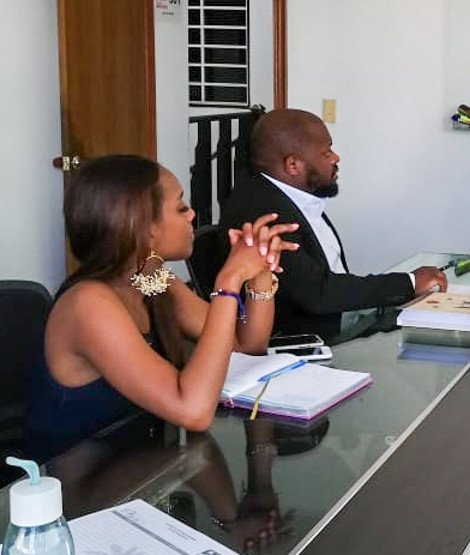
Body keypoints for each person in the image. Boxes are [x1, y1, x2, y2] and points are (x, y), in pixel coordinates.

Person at [28, 155, 296, 459]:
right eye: (181, 208)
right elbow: (193, 411)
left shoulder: (149, 279)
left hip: (146, 464)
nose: (192, 214)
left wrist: (260, 271)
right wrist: (229, 280)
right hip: (79, 480)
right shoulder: (88, 304)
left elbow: (245, 347)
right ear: (144, 228)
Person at [222, 109, 448, 338]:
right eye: (326, 152)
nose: (335, 158)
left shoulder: (293, 197)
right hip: (312, 344)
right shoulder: (263, 212)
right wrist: (408, 283)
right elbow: (316, 293)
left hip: (343, 324)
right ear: (293, 165)